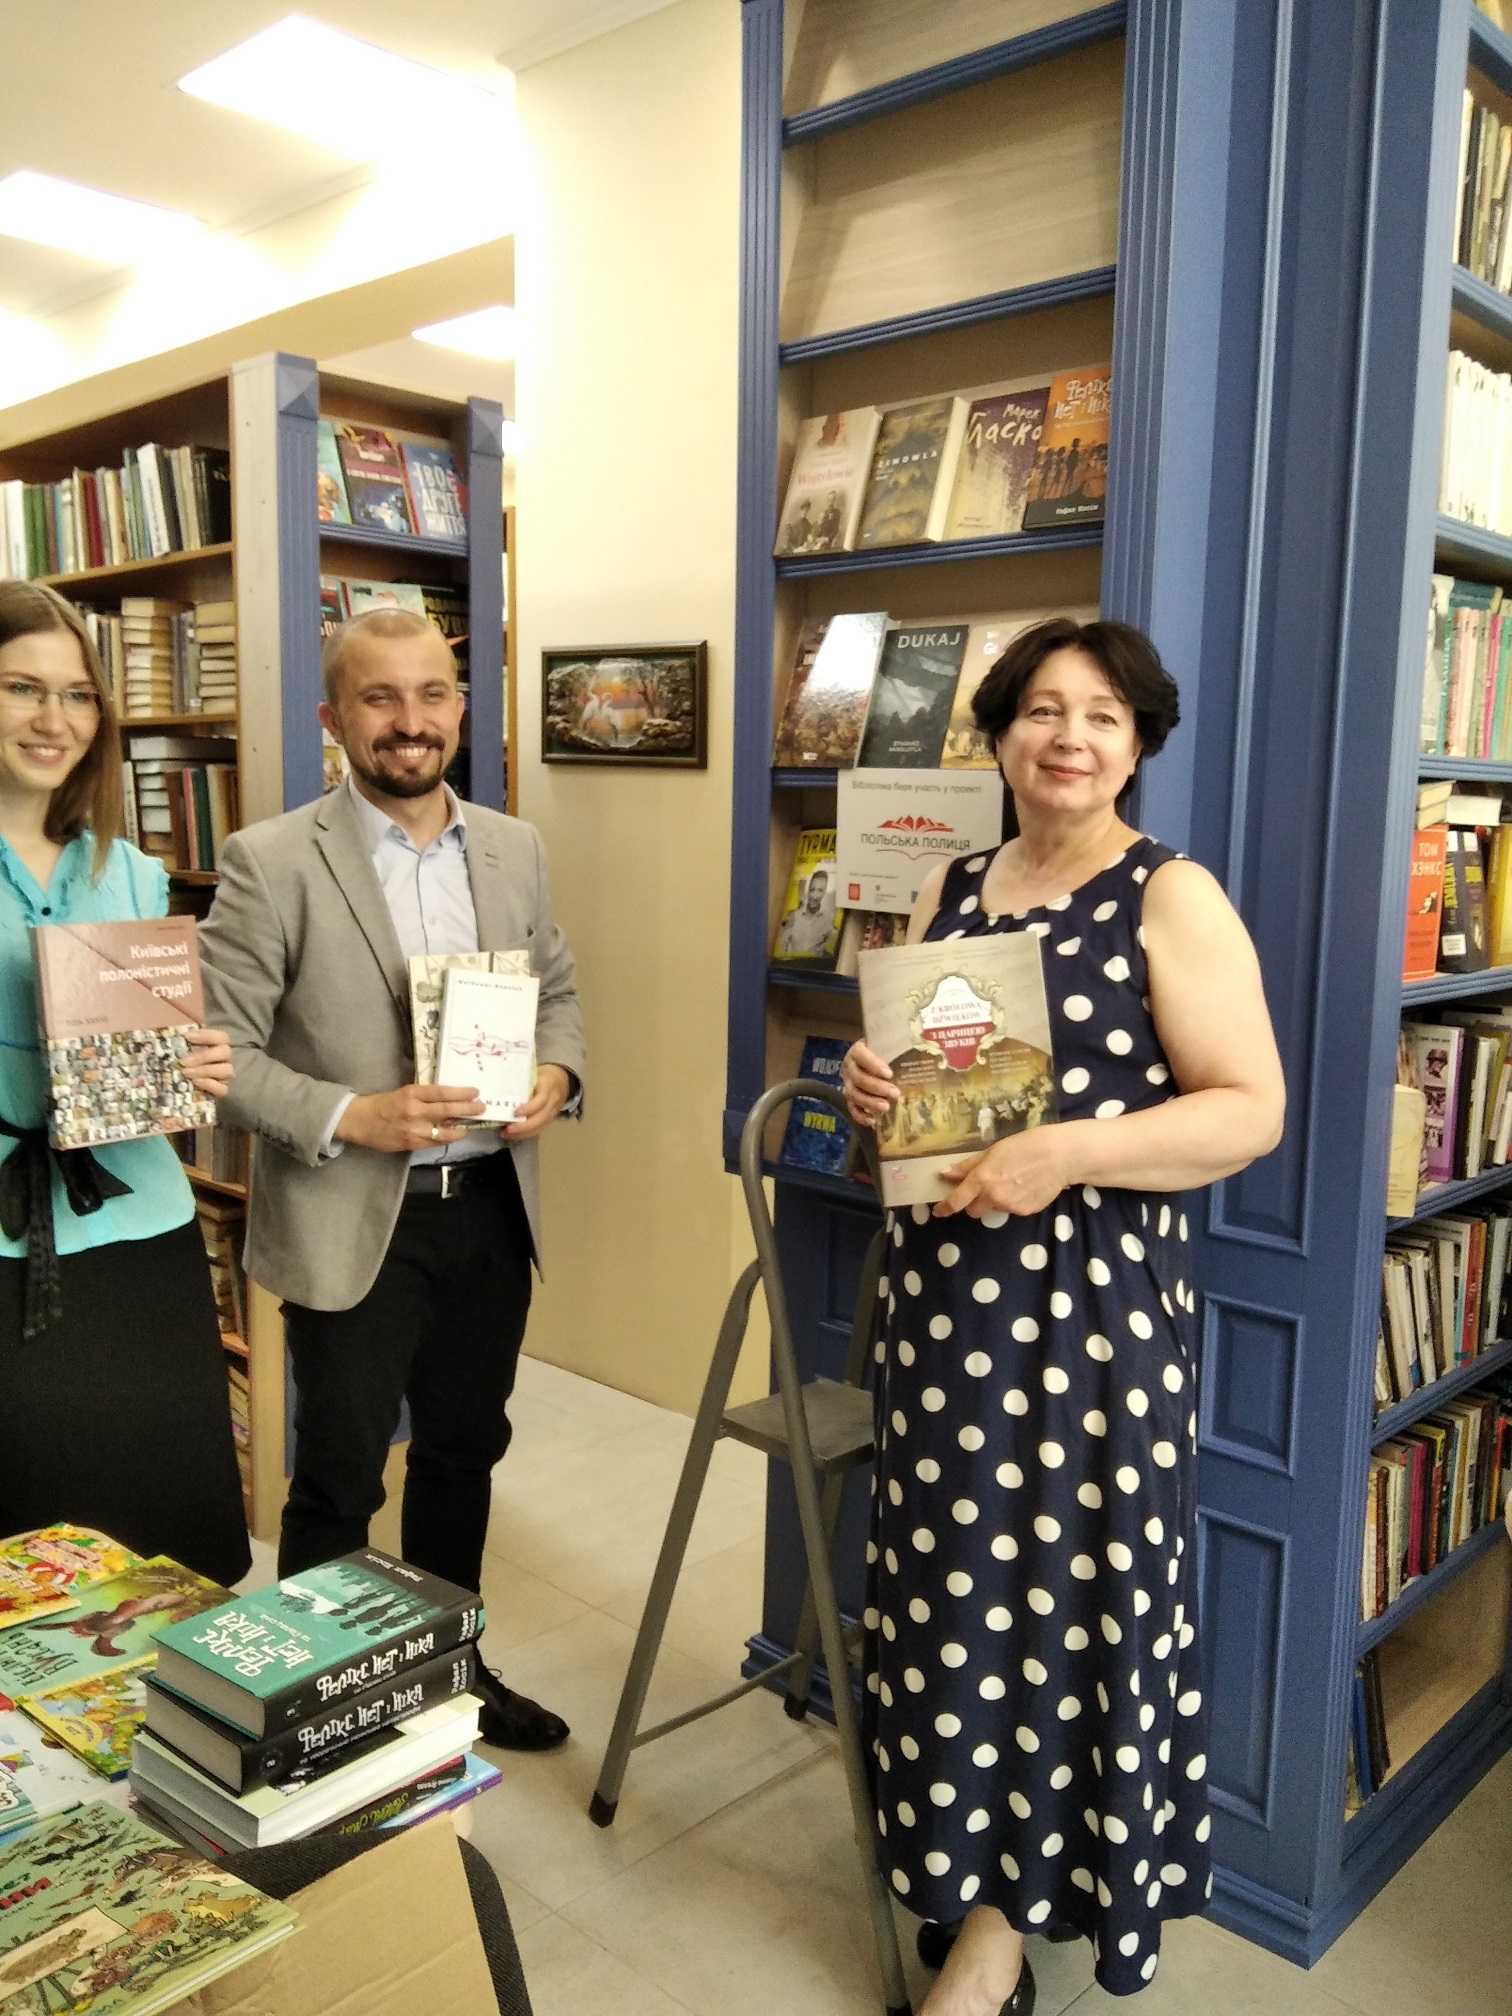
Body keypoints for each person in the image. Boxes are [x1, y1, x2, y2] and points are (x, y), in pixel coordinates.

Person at [841, 618, 1285, 2012]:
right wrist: (873, 1089)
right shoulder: (951, 886)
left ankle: (996, 1941)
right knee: (946, 1603)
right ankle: (957, 1869)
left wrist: (1068, 1153)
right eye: (1042, 710)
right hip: (942, 1314)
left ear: (1138, 742)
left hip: (1089, 1325)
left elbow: (1249, 1111)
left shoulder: (1170, 895)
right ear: (1001, 734)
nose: (1069, 738)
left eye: (1101, 715)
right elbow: (928, 1102)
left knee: (1057, 1610)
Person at [198, 607, 586, 1753]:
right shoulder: (270, 860)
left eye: (430, 694)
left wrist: (560, 1071)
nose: (409, 721)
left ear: (460, 709)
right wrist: (349, 1115)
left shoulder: (513, 847)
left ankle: (448, 1673)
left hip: (490, 1212)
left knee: (464, 1456)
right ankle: (322, 1720)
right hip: (353, 1219)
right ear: (335, 717)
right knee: (339, 1480)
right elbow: (220, 1056)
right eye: (380, 698)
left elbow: (557, 988)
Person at [0, 582, 249, 1587]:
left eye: (78, 695)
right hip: (10, 1245)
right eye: (22, 688)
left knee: (159, 1544)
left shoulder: (134, 872)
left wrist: (199, 1063)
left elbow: (157, 1038)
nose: (54, 719)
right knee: (31, 1563)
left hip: (142, 1231)